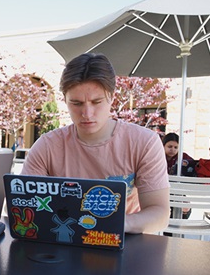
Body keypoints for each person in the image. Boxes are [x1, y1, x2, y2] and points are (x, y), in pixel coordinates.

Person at [21, 53, 170, 234]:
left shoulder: (144, 142)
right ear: (65, 100)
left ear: (112, 98)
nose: (87, 113)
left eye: (96, 102)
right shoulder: (47, 146)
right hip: (63, 244)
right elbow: (23, 204)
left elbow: (159, 213)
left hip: (124, 242)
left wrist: (113, 225)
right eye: (76, 103)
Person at [162, 132, 194, 220]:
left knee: (185, 206)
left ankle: (177, 228)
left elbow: (192, 167)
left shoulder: (183, 157)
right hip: (162, 190)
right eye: (170, 146)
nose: (173, 149)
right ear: (163, 146)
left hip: (177, 190)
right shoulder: (158, 156)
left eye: (176, 147)